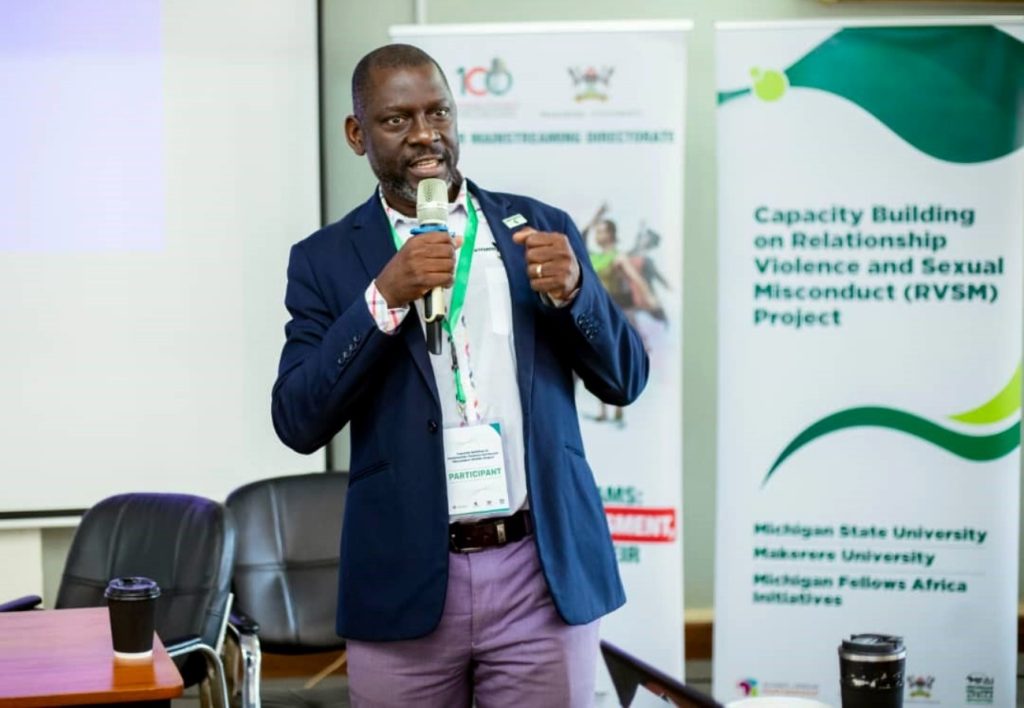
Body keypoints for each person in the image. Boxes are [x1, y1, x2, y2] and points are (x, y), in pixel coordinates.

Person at [271, 44, 649, 708]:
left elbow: (626, 379)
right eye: (397, 120)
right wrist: (383, 298)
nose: (424, 134)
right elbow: (298, 420)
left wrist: (577, 293)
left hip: (541, 572)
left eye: (437, 111)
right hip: (406, 579)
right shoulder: (326, 260)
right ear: (357, 134)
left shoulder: (537, 229)